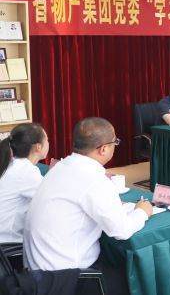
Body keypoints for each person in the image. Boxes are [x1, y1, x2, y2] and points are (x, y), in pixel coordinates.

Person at [24, 118, 153, 295]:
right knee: (137, 277)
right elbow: (121, 231)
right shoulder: (94, 179)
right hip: (64, 279)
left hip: (37, 273)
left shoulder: (61, 167)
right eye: (115, 142)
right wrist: (142, 212)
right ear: (104, 149)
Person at [0, 123, 48, 243]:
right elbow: (51, 199)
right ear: (38, 147)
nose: (48, 143)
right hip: (8, 246)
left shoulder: (12, 164)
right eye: (47, 140)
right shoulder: (26, 171)